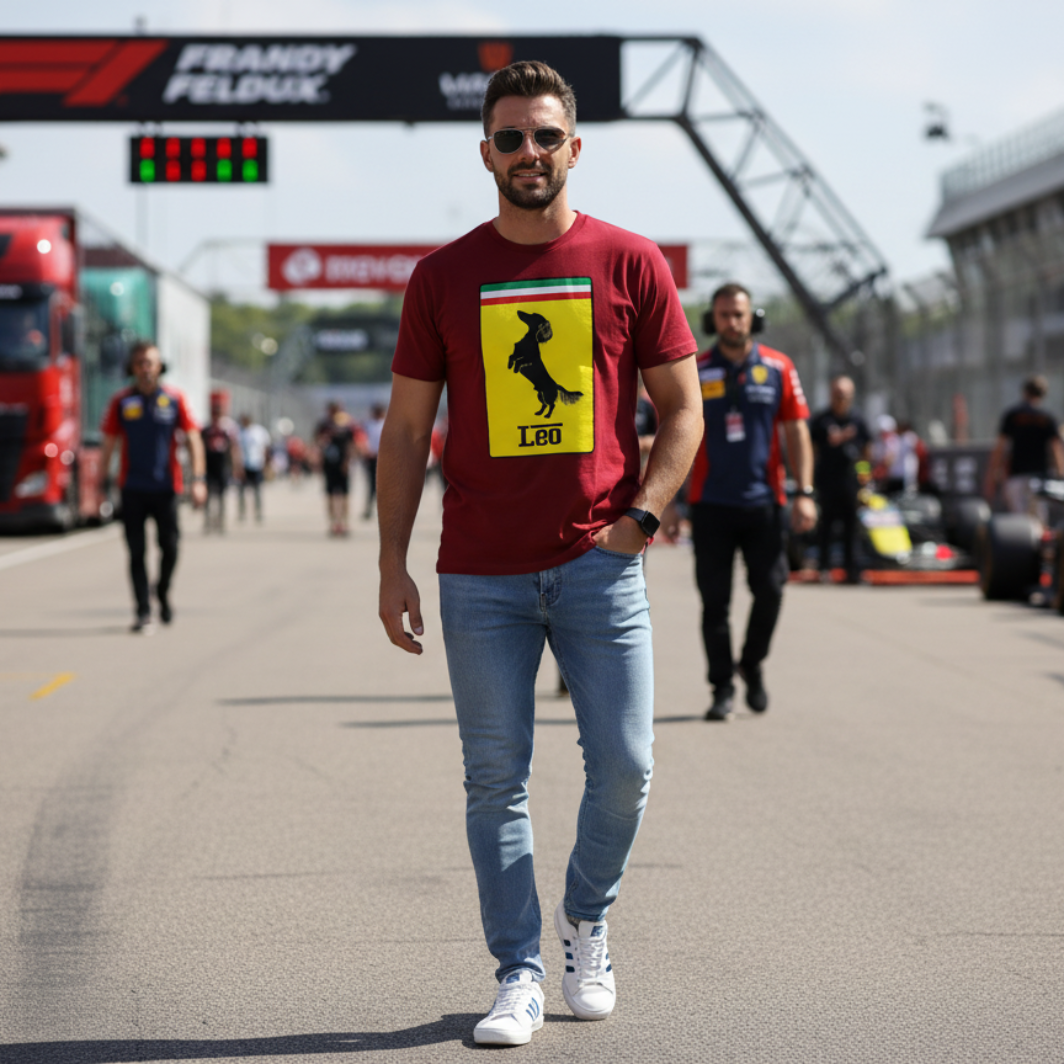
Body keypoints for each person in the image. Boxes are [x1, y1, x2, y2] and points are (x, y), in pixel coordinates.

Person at [377, 60, 702, 1047]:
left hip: (601, 564)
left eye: (544, 134)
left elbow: (680, 411)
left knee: (626, 768)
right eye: (509, 137)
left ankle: (583, 915)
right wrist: (390, 562)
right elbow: (402, 433)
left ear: (573, 145)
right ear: (486, 153)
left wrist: (638, 519)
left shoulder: (630, 262)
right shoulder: (441, 276)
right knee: (494, 777)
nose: (528, 151)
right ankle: (517, 967)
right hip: (480, 572)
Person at [689, 283, 816, 721]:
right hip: (710, 505)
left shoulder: (779, 367)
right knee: (714, 603)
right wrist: (668, 502)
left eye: (739, 314)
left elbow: (797, 430)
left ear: (753, 317)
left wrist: (804, 492)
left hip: (765, 503)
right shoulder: (696, 368)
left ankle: (752, 662)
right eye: (724, 315)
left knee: (772, 589)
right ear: (712, 320)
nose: (732, 322)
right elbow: (679, 431)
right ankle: (722, 687)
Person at [98, 340, 206, 633]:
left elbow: (194, 439)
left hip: (166, 487)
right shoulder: (122, 402)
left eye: (151, 363)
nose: (146, 369)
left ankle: (162, 591)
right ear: (132, 368)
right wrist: (103, 482)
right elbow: (109, 444)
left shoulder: (174, 399)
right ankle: (143, 610)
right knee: (136, 552)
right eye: (140, 364)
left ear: (160, 367)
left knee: (170, 547)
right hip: (132, 487)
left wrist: (198, 480)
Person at [809, 375, 872, 583]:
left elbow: (866, 452)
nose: (840, 399)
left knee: (851, 527)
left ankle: (852, 570)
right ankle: (824, 569)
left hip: (850, 482)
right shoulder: (821, 421)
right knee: (826, 526)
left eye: (844, 395)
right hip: (826, 481)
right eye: (837, 394)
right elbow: (812, 450)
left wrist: (864, 478)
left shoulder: (857, 420)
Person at [984, 375, 1064, 524]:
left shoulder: (1013, 416)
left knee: (1019, 522)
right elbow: (1056, 449)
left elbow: (1000, 448)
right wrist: (1060, 474)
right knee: (1039, 521)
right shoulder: (1047, 418)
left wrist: (992, 475)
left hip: (1017, 476)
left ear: (1025, 392)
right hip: (1041, 477)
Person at [201, 394, 242, 533]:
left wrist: (236, 466)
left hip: (222, 464)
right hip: (209, 464)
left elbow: (234, 448)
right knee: (208, 495)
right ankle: (207, 521)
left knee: (221, 495)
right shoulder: (206, 428)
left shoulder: (228, 428)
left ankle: (221, 521)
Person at [316, 400, 356, 535]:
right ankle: (333, 522)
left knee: (344, 494)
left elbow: (351, 444)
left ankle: (344, 522)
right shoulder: (324, 426)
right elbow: (317, 443)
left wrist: (348, 461)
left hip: (342, 464)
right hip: (329, 464)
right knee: (330, 495)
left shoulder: (346, 425)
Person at [237, 413, 271, 523]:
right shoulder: (239, 432)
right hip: (243, 465)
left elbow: (266, 448)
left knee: (257, 491)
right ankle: (242, 513)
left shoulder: (259, 431)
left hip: (257, 464)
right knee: (241, 491)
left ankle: (258, 513)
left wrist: (266, 464)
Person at [361, 402, 386, 520]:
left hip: (384, 457)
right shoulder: (368, 424)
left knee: (385, 485)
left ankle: (386, 509)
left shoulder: (386, 423)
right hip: (371, 457)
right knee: (371, 484)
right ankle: (369, 508)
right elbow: (362, 439)